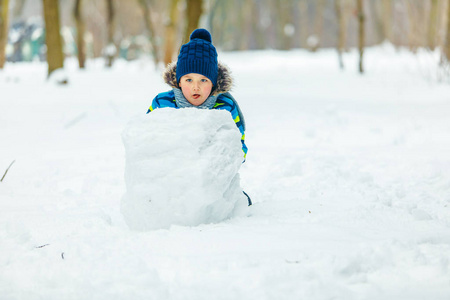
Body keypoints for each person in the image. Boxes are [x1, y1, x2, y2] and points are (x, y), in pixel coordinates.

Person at [147, 28, 248, 160]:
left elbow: (239, 146)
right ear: (179, 82)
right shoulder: (162, 103)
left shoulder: (226, 106)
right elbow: (146, 137)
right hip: (170, 174)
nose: (196, 87)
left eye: (203, 80)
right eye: (189, 80)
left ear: (213, 83)